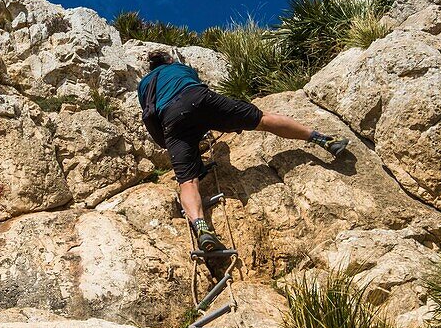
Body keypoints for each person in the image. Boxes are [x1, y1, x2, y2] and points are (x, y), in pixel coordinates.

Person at [137, 49, 348, 252]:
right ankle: (324, 140)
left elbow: (150, 112)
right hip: (199, 98)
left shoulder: (145, 84)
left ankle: (201, 228)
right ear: (169, 61)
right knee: (262, 119)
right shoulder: (181, 68)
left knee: (187, 181)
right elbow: (194, 91)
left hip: (171, 118)